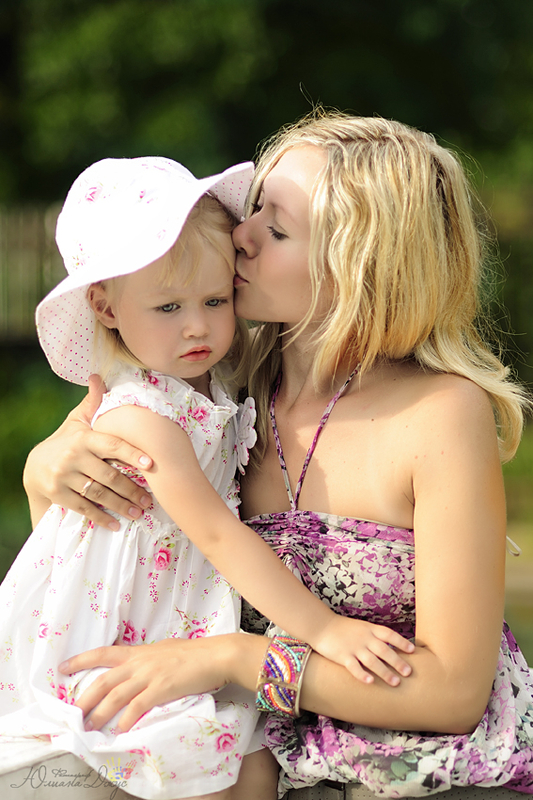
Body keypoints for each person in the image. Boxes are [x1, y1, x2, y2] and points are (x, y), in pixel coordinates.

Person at [22, 113, 533, 798]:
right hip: (239, 761)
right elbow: (89, 553)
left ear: (357, 265)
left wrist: (236, 658)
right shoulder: (210, 393)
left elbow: (451, 695)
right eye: (256, 207)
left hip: (424, 775)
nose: (241, 232)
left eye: (278, 228)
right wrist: (44, 473)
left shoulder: (439, 413)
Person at [0, 154, 416, 800]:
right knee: (186, 757)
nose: (197, 325)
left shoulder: (215, 381)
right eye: (168, 306)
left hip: (183, 609)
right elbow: (220, 536)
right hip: (125, 619)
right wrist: (327, 630)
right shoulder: (143, 414)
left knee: (253, 761)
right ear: (105, 307)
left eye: (215, 299)